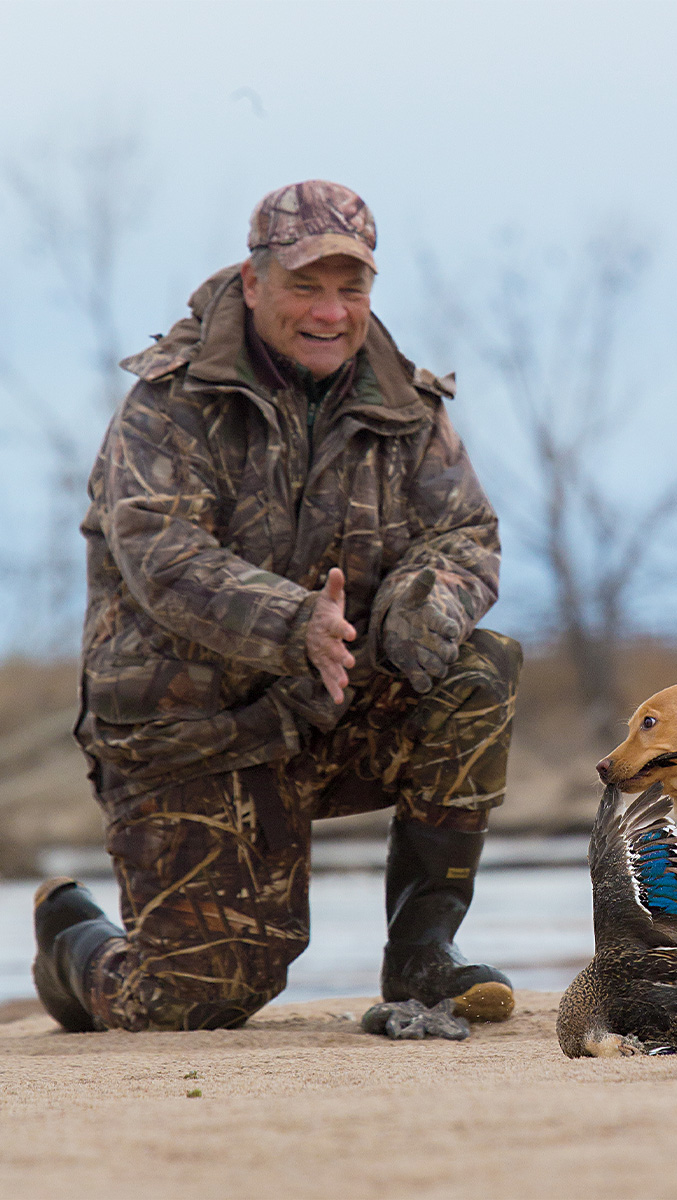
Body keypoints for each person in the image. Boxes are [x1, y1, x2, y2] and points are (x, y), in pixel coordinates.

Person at [32, 180, 522, 1032]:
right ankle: (73, 945)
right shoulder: (167, 405)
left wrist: (420, 601)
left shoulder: (409, 408)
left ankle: (421, 955)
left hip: (334, 705)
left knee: (480, 668)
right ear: (254, 283)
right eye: (306, 285)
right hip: (190, 734)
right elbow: (162, 558)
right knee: (196, 1002)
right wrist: (296, 623)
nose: (331, 311)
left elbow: (468, 532)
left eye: (351, 288)